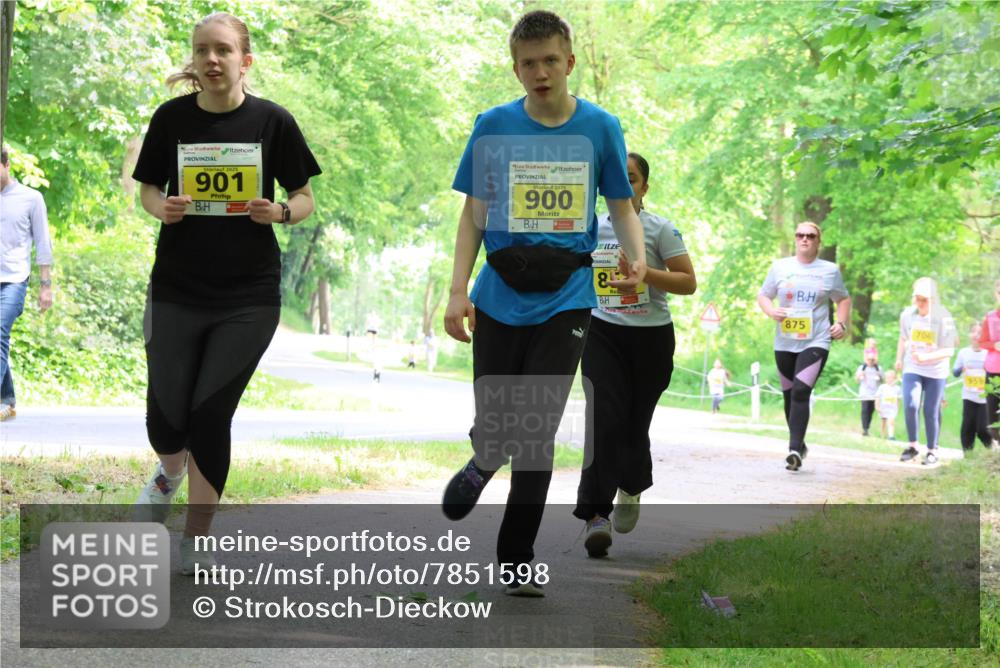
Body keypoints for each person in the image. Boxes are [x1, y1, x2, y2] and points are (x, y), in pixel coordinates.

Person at [440, 10, 646, 596]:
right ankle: (485, 457)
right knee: (502, 422)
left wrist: (633, 258)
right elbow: (473, 215)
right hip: (500, 293)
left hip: (568, 295)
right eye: (528, 63)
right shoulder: (493, 125)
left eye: (550, 60)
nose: (540, 72)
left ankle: (516, 557)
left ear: (569, 62)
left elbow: (622, 204)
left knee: (539, 425)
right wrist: (458, 290)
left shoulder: (600, 127)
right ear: (516, 68)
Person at [130, 12, 321, 573]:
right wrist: (160, 208)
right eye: (201, 51)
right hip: (176, 288)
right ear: (193, 60)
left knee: (210, 416)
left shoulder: (273, 122)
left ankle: (195, 537)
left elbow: (305, 195)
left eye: (222, 50)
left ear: (245, 60)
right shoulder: (171, 120)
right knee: (165, 419)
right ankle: (168, 473)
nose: (211, 60)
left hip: (248, 296)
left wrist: (281, 212)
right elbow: (147, 188)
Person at [573, 152, 696, 558]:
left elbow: (688, 282)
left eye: (632, 179)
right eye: (617, 179)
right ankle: (596, 515)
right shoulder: (590, 229)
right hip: (601, 333)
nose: (624, 186)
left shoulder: (660, 229)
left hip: (651, 339)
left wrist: (647, 274)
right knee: (603, 419)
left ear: (645, 186)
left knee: (633, 424)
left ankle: (633, 483)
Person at [757, 221, 851, 471]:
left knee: (801, 390)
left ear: (818, 242)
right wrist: (771, 311)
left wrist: (841, 324)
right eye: (800, 235)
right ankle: (799, 444)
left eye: (811, 236)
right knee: (789, 395)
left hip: (816, 340)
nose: (805, 239)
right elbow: (763, 295)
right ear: (796, 239)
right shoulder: (780, 267)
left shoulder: (829, 270)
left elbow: (843, 298)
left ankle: (794, 449)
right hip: (785, 341)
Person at [0, 147, 54, 421]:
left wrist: (45, 286)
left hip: (14, 280)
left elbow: (43, 243)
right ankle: (7, 402)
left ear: (7, 164)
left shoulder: (31, 198)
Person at [895, 277, 957, 465]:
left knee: (931, 410)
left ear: (933, 298)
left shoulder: (943, 317)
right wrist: (899, 358)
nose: (920, 303)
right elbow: (903, 337)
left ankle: (932, 451)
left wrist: (927, 357)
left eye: (924, 299)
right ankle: (913, 446)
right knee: (911, 404)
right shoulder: (907, 315)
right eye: (917, 298)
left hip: (936, 370)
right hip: (913, 366)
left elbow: (949, 350)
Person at [953, 323, 993, 453]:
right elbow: (955, 372)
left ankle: (992, 449)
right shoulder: (963, 352)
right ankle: (967, 455)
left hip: (985, 397)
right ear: (969, 335)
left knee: (983, 428)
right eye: (973, 332)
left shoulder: (989, 353)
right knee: (967, 427)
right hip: (969, 395)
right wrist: (961, 369)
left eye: (980, 332)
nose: (976, 335)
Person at [979, 278, 1000, 447]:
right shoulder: (990, 317)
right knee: (992, 416)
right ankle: (997, 440)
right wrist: (994, 345)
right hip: (993, 370)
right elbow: (981, 342)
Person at [855, 348, 883, 436]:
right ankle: (865, 429)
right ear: (866, 359)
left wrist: (879, 375)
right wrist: (860, 375)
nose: (870, 361)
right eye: (869, 359)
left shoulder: (878, 368)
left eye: (872, 359)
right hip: (864, 393)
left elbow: (882, 380)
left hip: (874, 393)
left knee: (871, 411)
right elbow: (856, 380)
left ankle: (867, 427)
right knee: (865, 409)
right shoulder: (861, 368)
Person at [875, 369, 902, 440]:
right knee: (883, 422)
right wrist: (877, 406)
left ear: (895, 379)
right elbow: (877, 397)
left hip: (892, 409)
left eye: (891, 378)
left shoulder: (897, 388)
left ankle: (891, 436)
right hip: (883, 408)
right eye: (887, 378)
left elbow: (898, 399)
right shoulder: (882, 387)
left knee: (891, 422)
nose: (889, 379)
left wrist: (897, 408)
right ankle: (882, 435)